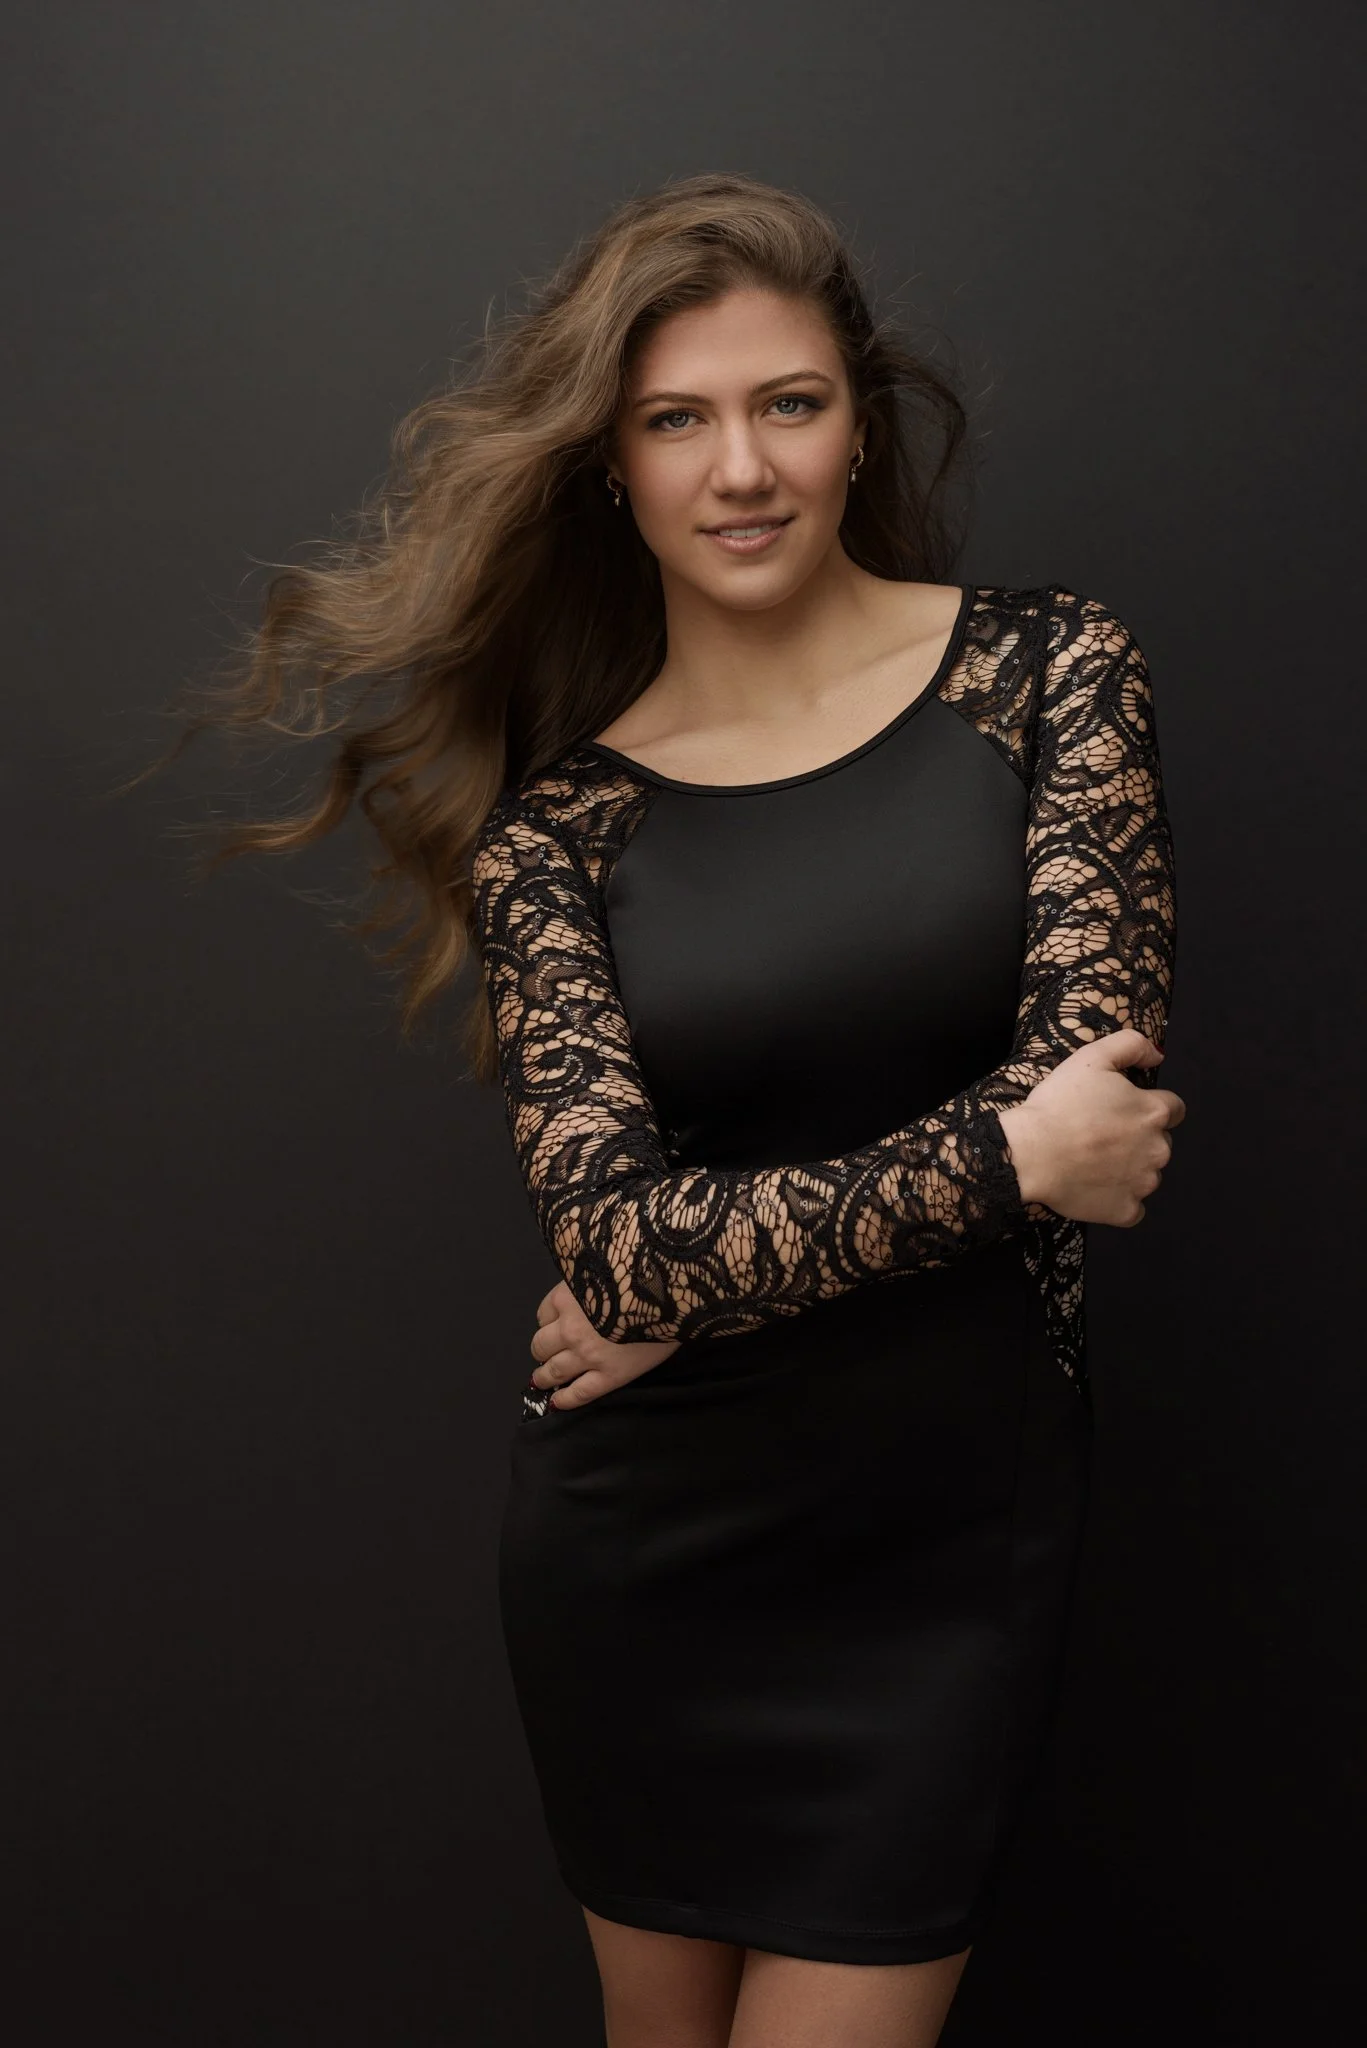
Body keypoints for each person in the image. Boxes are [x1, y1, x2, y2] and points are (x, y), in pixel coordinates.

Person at [179, 173, 1182, 2048]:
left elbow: (1098, 1112)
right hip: (651, 1566)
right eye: (676, 419)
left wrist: (706, 1277)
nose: (741, 466)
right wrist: (993, 1154)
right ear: (610, 470)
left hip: (949, 1545)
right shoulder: (559, 832)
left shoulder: (1050, 675)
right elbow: (612, 1245)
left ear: (855, 424)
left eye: (787, 404)